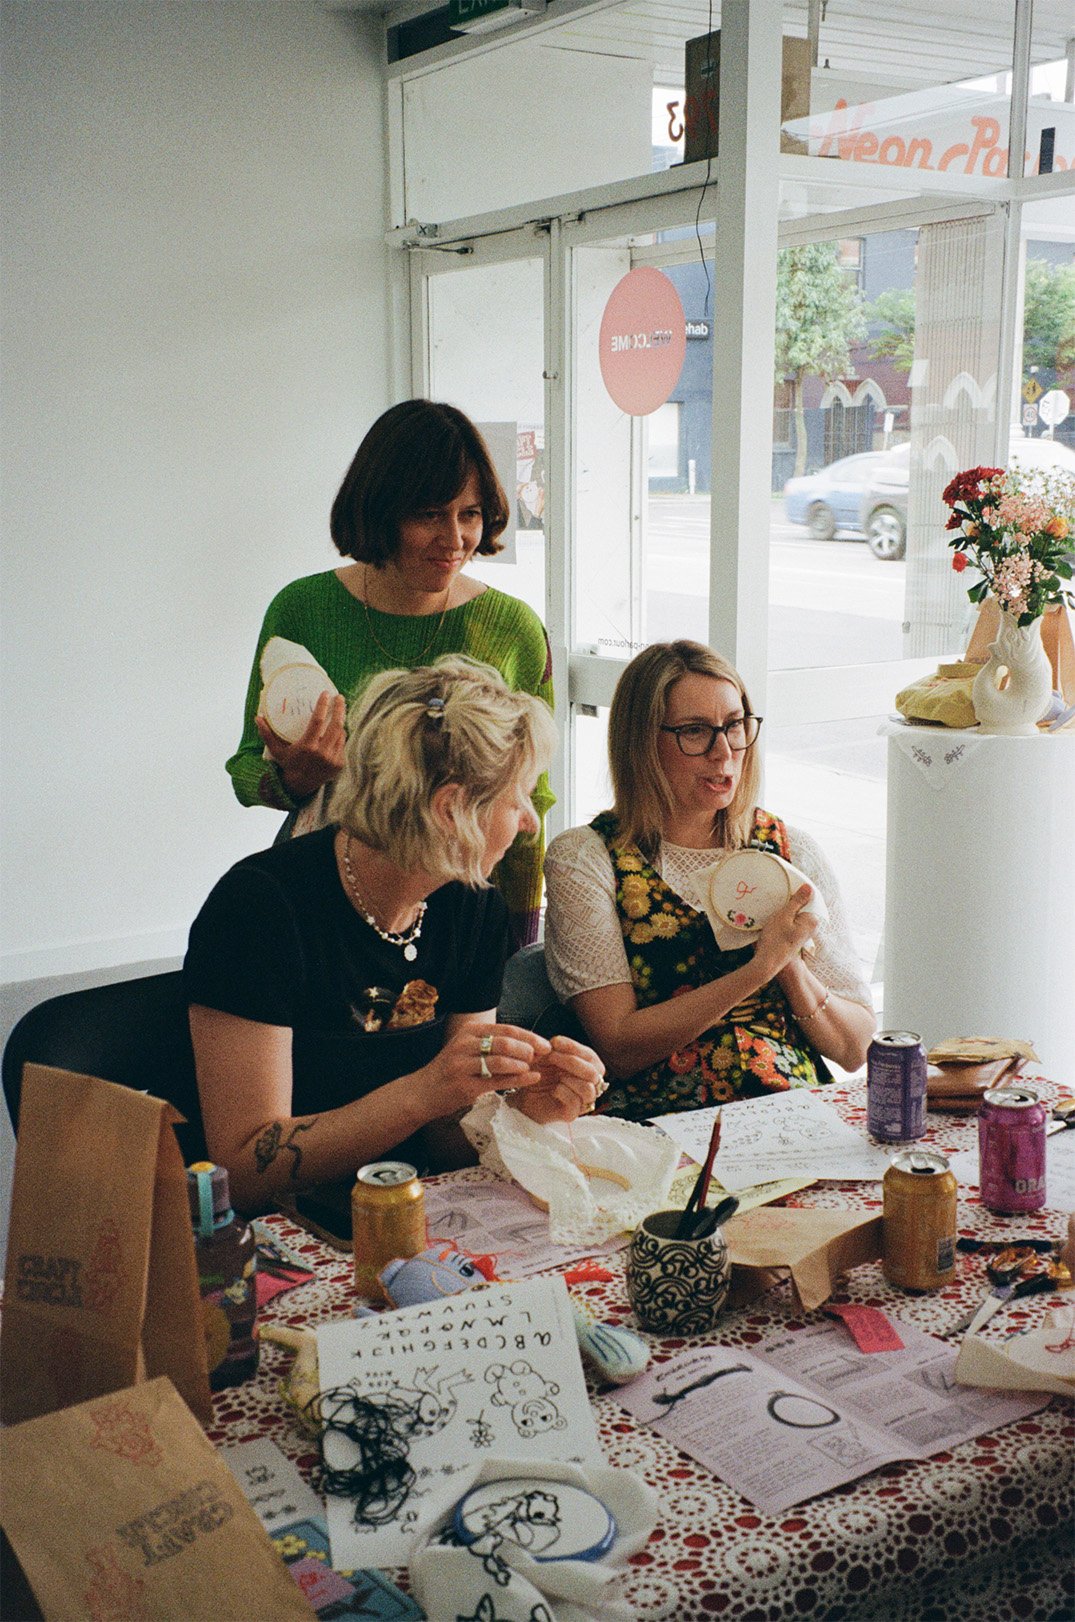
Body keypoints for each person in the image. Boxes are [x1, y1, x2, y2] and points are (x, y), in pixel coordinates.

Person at [189, 655, 603, 1212]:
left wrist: (523, 1111)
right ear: (452, 810)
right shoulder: (259, 909)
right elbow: (243, 1170)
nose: (529, 820)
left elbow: (448, 1139)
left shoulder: (473, 904)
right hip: (279, 1230)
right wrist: (424, 1091)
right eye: (518, 796)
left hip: (411, 1207)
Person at [227, 400, 554, 948]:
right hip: (326, 896)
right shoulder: (302, 609)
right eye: (429, 515)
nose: (455, 539)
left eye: (470, 514)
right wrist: (295, 780)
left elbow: (530, 803)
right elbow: (244, 769)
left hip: (462, 908)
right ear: (380, 510)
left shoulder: (513, 628)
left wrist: (518, 937)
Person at [543, 641, 875, 1119]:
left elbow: (855, 1047)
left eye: (735, 726)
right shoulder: (587, 858)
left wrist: (790, 967)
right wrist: (760, 967)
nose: (724, 752)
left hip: (791, 1111)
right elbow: (617, 1047)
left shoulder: (790, 849)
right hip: (663, 1120)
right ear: (642, 742)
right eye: (695, 731)